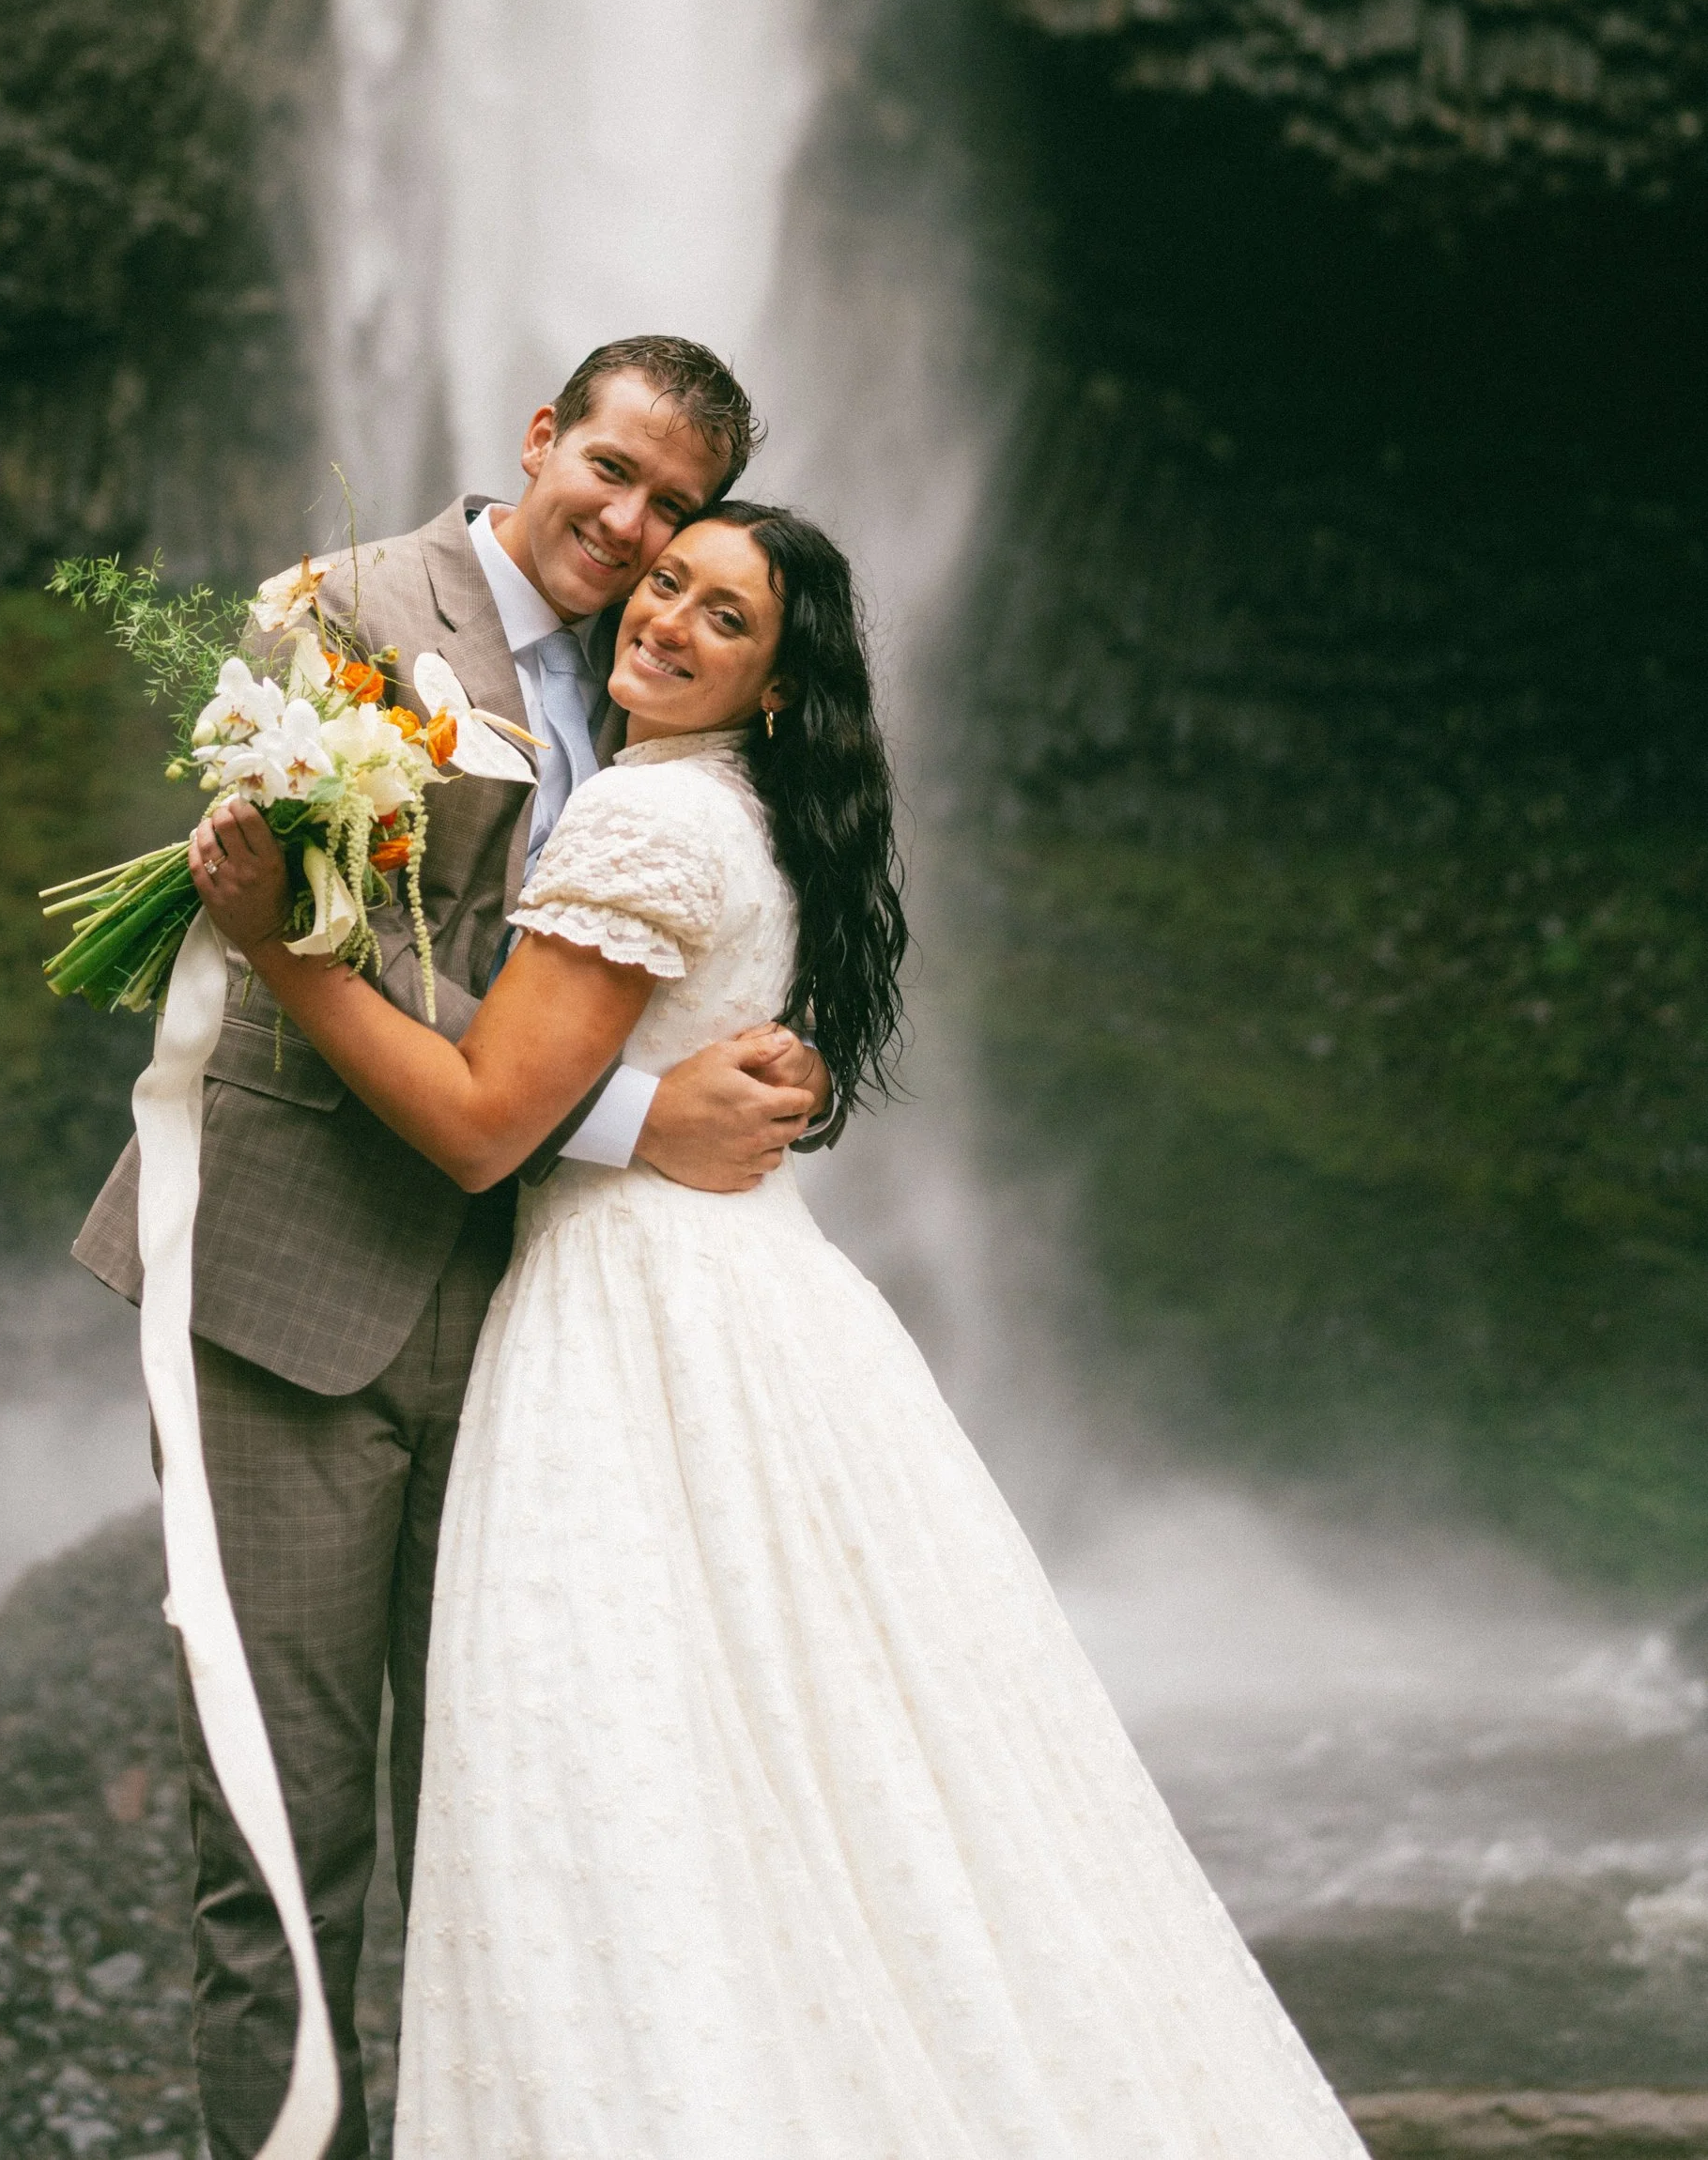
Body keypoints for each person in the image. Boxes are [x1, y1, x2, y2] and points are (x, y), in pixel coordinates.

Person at [190, 500, 1374, 2159]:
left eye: (722, 617)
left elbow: (475, 1122)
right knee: (786, 1764)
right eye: (664, 582)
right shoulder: (740, 813)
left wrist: (276, 947)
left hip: (625, 1325)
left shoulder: (639, 827)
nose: (663, 616)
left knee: (608, 1788)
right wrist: (650, 1106)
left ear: (775, 687)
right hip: (745, 1302)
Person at [72, 338, 835, 2160]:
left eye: (670, 512)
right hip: (287, 1297)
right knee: (282, 1838)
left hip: (527, 1328)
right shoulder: (339, 614)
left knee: (505, 1842)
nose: (630, 526)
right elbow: (352, 950)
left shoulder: (661, 691)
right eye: (612, 471)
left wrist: (760, 1039)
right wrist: (644, 1120)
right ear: (539, 439)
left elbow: (634, 960)